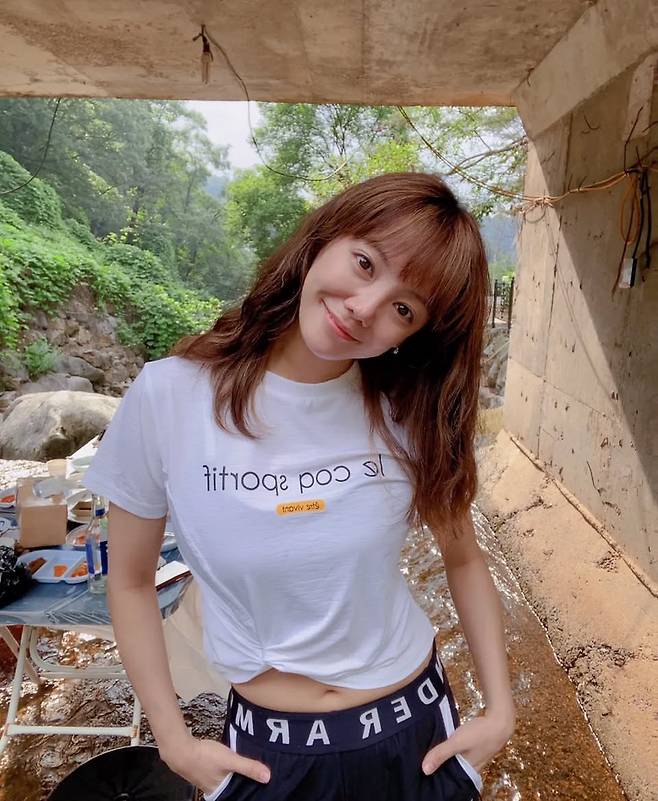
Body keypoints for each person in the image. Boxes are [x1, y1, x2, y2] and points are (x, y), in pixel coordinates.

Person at [83, 172, 516, 801]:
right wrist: (173, 741)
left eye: (404, 309)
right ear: (324, 238)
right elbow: (128, 582)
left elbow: (465, 558)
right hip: (269, 749)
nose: (364, 307)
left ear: (415, 335)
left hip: (415, 729)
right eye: (365, 263)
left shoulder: (408, 413)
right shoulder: (170, 394)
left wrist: (499, 709)